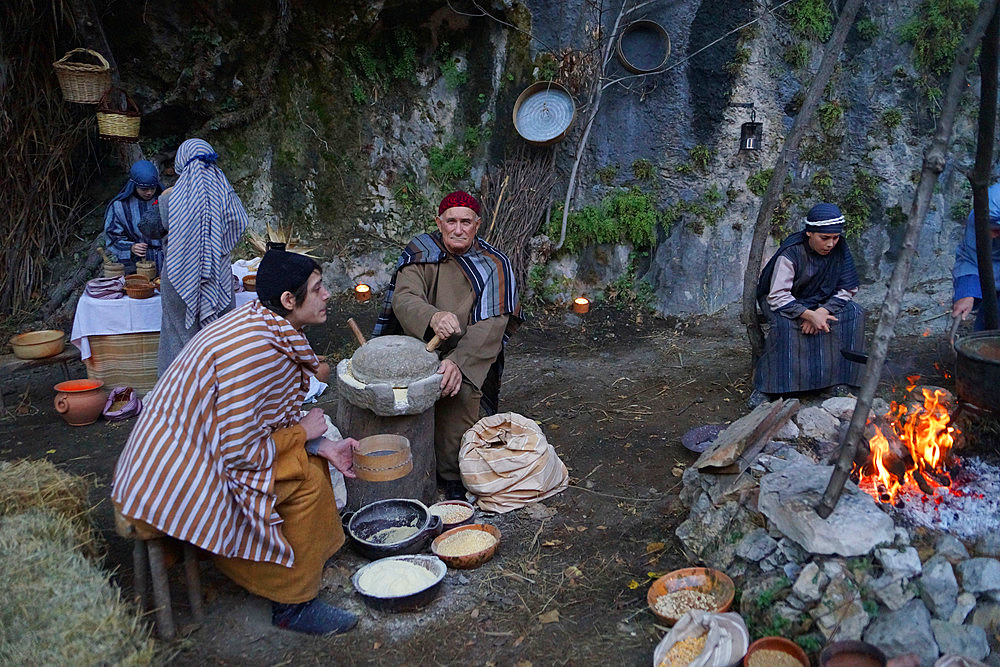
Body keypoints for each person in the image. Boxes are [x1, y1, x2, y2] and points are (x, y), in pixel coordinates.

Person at [112, 246, 361, 636]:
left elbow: (260, 420)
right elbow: (241, 451)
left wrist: (320, 445)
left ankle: (299, 574)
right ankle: (292, 605)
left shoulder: (265, 324)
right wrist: (303, 434)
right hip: (169, 478)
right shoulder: (255, 352)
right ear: (288, 300)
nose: (327, 294)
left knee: (311, 464)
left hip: (196, 453)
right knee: (304, 484)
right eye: (317, 289)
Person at [373, 191, 521, 500]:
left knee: (459, 391)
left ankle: (454, 476)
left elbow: (493, 324)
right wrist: (433, 316)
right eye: (450, 221)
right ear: (438, 223)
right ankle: (400, 466)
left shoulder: (495, 265)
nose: (457, 229)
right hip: (418, 345)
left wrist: (458, 362)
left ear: (477, 225)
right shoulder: (421, 251)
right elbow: (405, 297)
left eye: (465, 222)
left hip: (467, 352)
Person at [750, 203, 865, 407]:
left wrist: (821, 311)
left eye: (835, 238)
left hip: (820, 300)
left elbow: (848, 287)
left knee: (854, 314)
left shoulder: (840, 250)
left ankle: (839, 380)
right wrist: (807, 315)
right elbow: (777, 295)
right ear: (810, 233)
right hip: (784, 300)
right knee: (785, 325)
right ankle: (769, 388)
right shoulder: (792, 252)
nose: (830, 244)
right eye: (824, 238)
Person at [151, 137, 249, 375]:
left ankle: (178, 396)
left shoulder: (168, 198)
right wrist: (218, 247)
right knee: (219, 337)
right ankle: (217, 396)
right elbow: (240, 221)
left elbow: (149, 228)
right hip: (218, 276)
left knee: (178, 338)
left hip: (178, 277)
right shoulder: (227, 194)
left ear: (181, 163)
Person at [951, 182, 1000, 330]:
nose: (992, 235)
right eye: (990, 229)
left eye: (998, 230)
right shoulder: (978, 220)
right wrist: (967, 293)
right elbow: (970, 258)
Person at [103, 160, 163, 275]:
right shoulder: (120, 206)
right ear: (134, 185)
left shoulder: (165, 201)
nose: (149, 192)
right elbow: (113, 237)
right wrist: (132, 247)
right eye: (144, 189)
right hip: (137, 265)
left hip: (168, 261)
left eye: (153, 188)